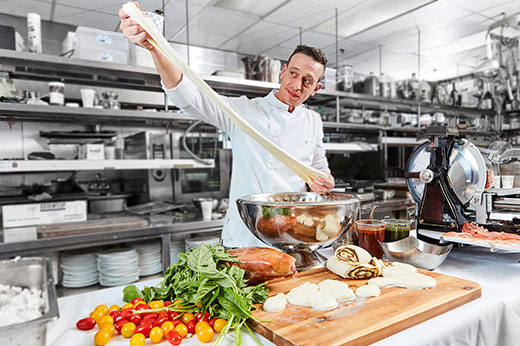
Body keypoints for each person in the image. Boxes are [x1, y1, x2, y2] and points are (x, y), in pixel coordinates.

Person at [119, 5, 335, 248]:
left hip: (292, 235)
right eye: (294, 74)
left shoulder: (312, 121)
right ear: (283, 72)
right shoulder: (244, 111)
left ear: (316, 89)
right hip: (247, 237)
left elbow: (318, 169)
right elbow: (188, 97)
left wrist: (325, 181)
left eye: (307, 81)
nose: (297, 85)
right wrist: (154, 47)